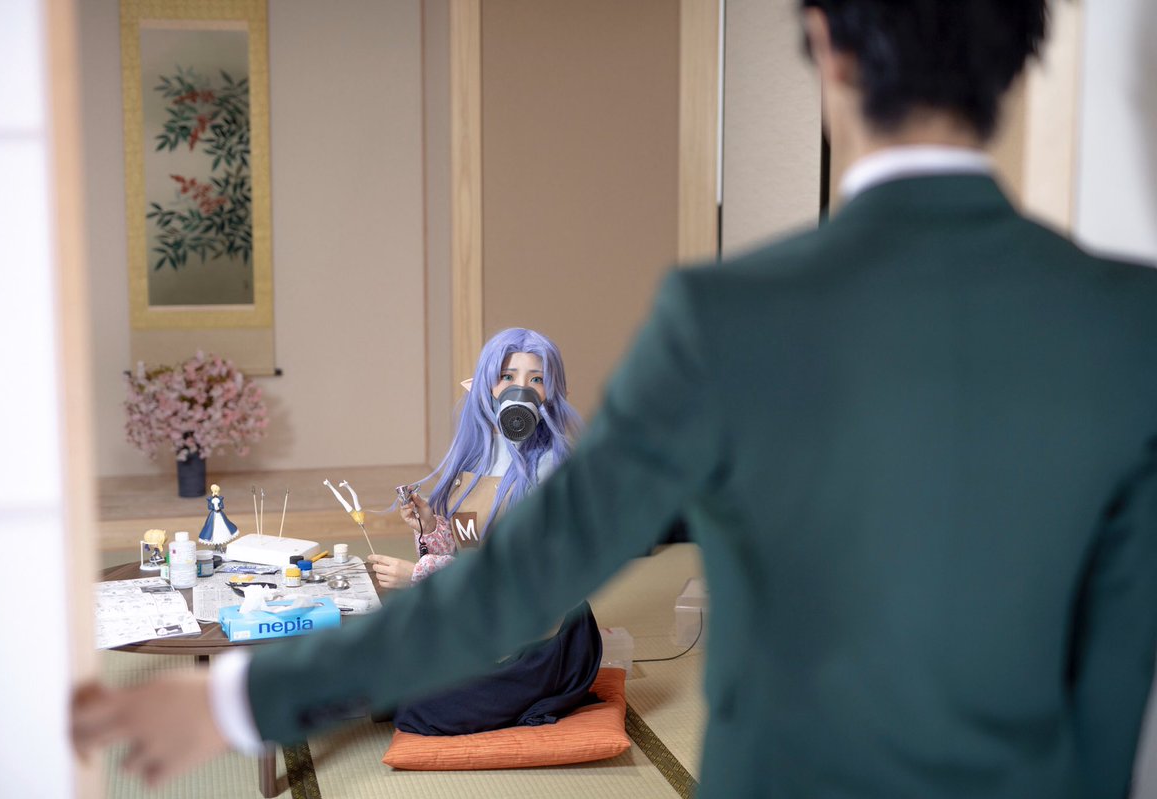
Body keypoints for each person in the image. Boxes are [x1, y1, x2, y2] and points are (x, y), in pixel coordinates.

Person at [72, 2, 1157, 796]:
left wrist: (234, 697)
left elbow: (518, 578)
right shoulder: (1130, 326)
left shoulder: (724, 319)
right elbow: (1115, 674)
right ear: (1023, 55)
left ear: (825, 40)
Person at [366, 327, 600, 735]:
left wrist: (418, 574)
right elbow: (468, 547)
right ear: (484, 384)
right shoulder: (476, 455)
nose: (519, 389)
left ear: (551, 392)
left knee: (423, 712)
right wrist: (431, 526)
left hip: (538, 636)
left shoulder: (551, 467)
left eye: (536, 379)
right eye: (507, 376)